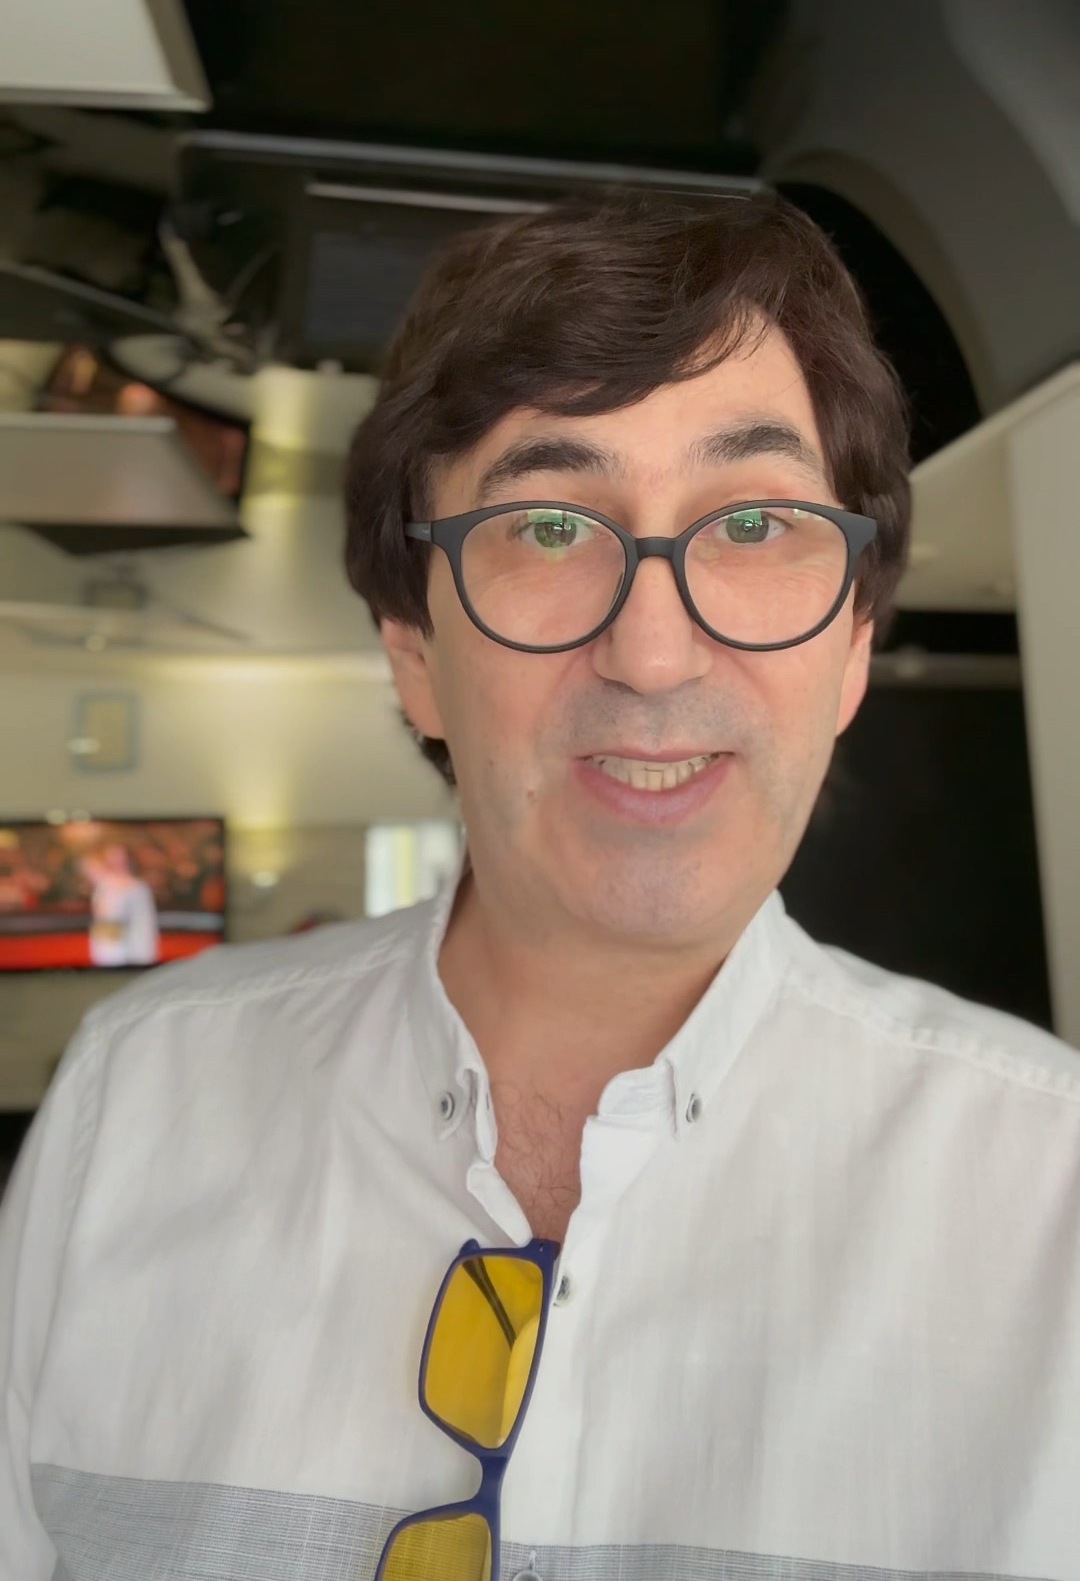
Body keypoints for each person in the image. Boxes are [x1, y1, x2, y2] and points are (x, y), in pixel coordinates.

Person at [3, 192, 1080, 1581]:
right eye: (552, 527)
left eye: (754, 521)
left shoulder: (1049, 1192)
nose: (654, 655)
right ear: (413, 646)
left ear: (854, 645)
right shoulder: (132, 1105)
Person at [80, 841, 161, 968]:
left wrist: (144, 954)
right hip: (106, 950)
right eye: (111, 856)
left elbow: (145, 923)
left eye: (120, 856)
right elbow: (103, 921)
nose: (116, 860)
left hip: (134, 950)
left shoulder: (139, 888)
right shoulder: (103, 885)